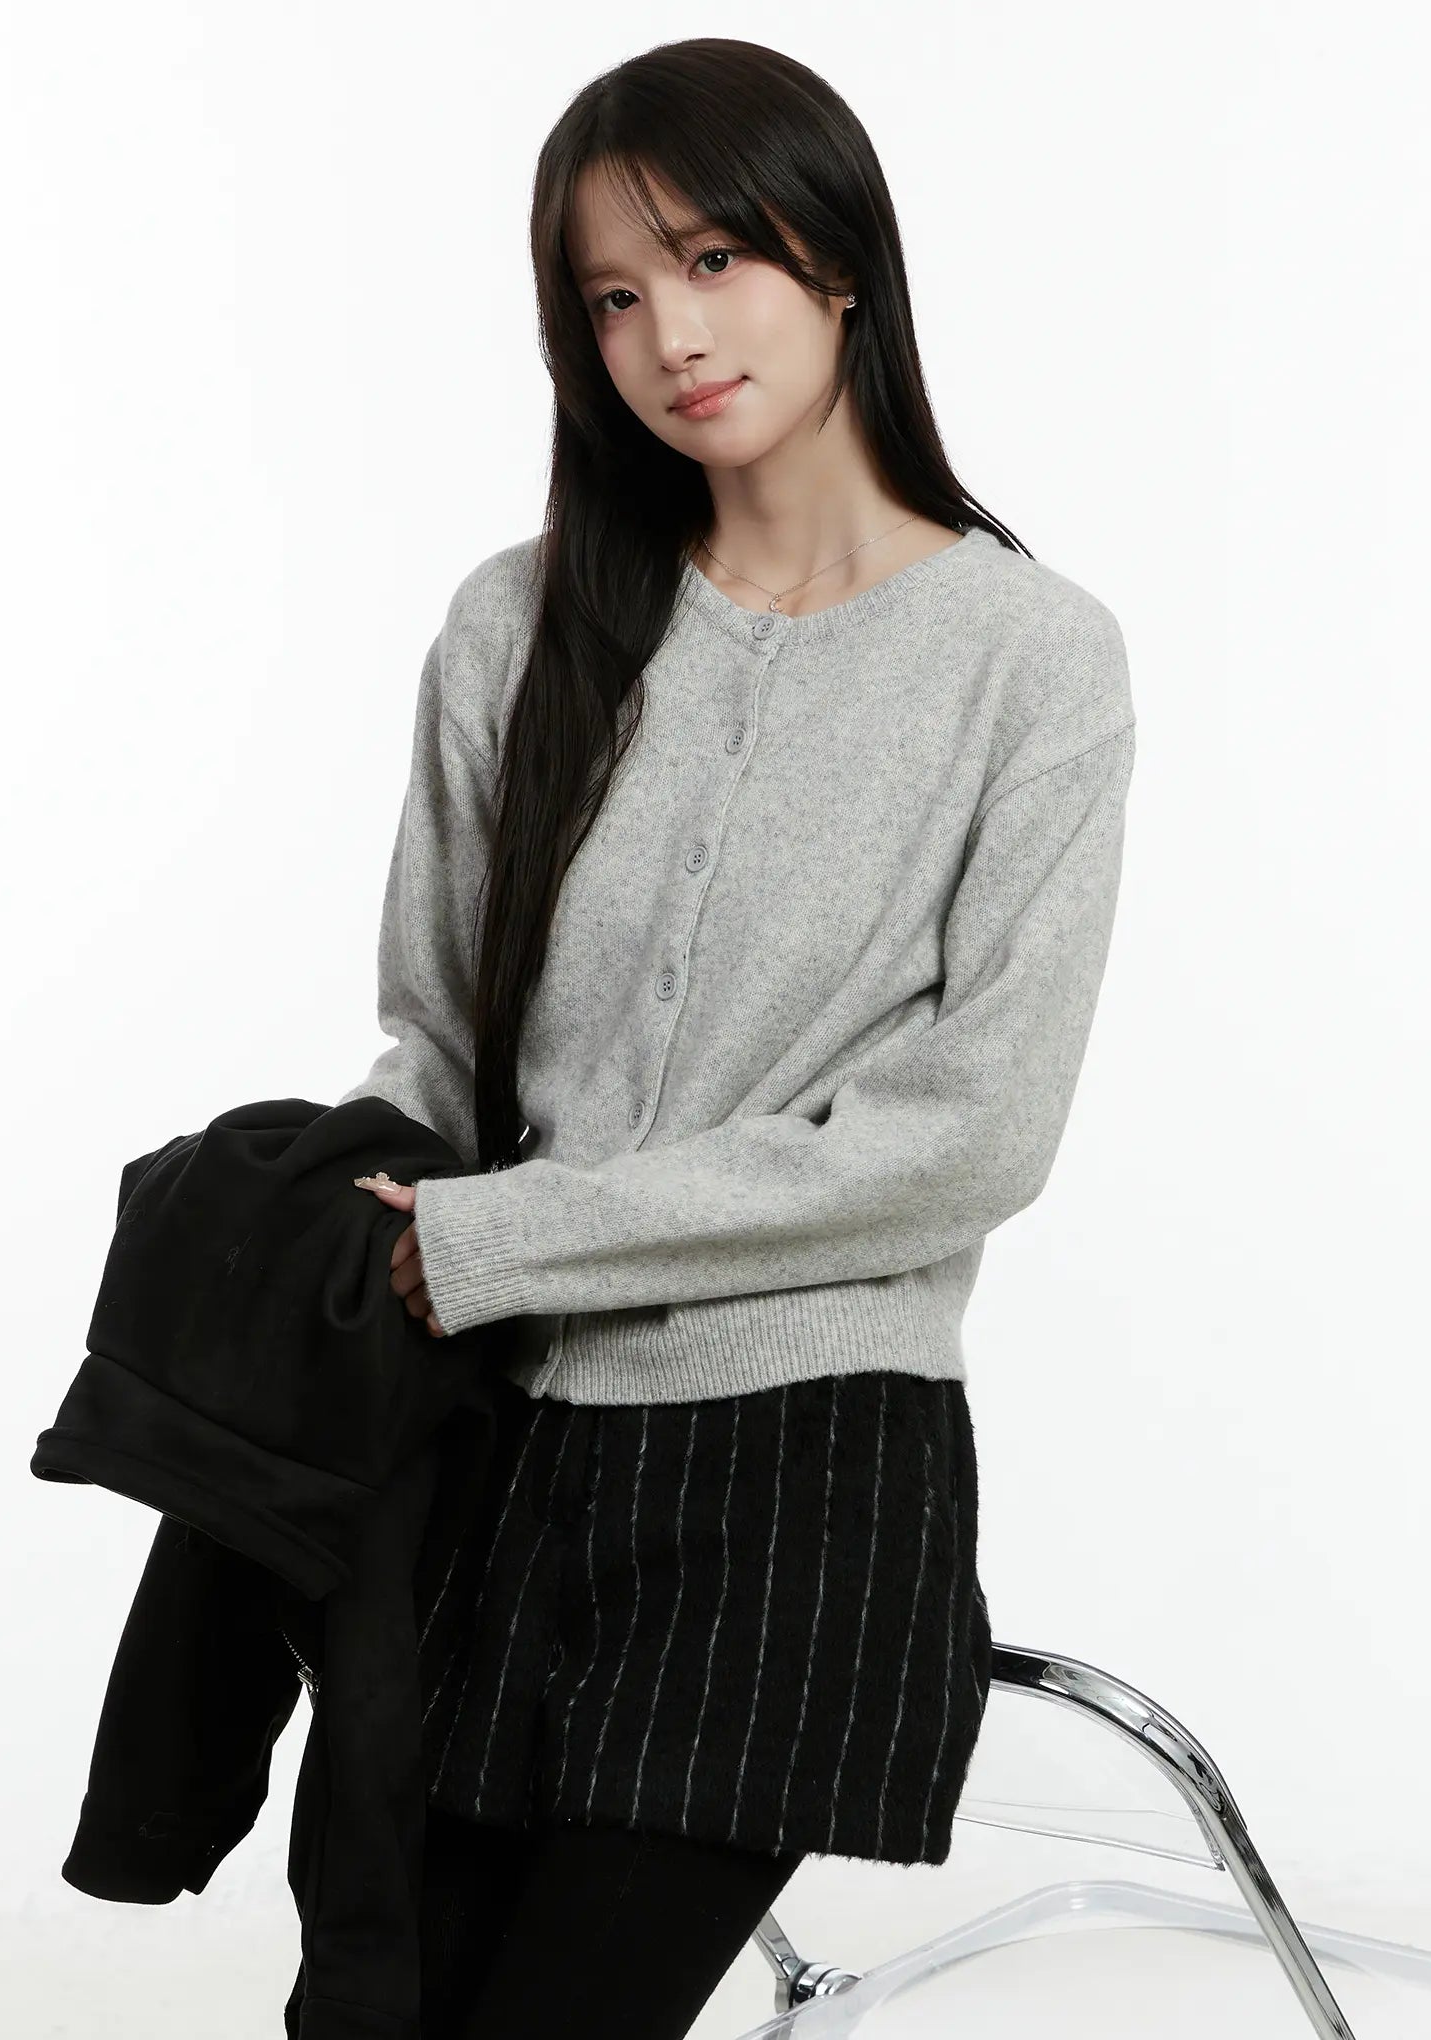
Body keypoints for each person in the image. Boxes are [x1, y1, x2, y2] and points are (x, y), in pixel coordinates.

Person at [341, 35, 1136, 2040]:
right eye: (611, 296)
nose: (670, 336)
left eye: (712, 260)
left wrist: (509, 1238)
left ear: (838, 258)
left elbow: (968, 1139)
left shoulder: (1031, 661)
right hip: (494, 1441)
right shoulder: (517, 625)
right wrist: (346, 1207)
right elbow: (433, 1044)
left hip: (807, 1474)